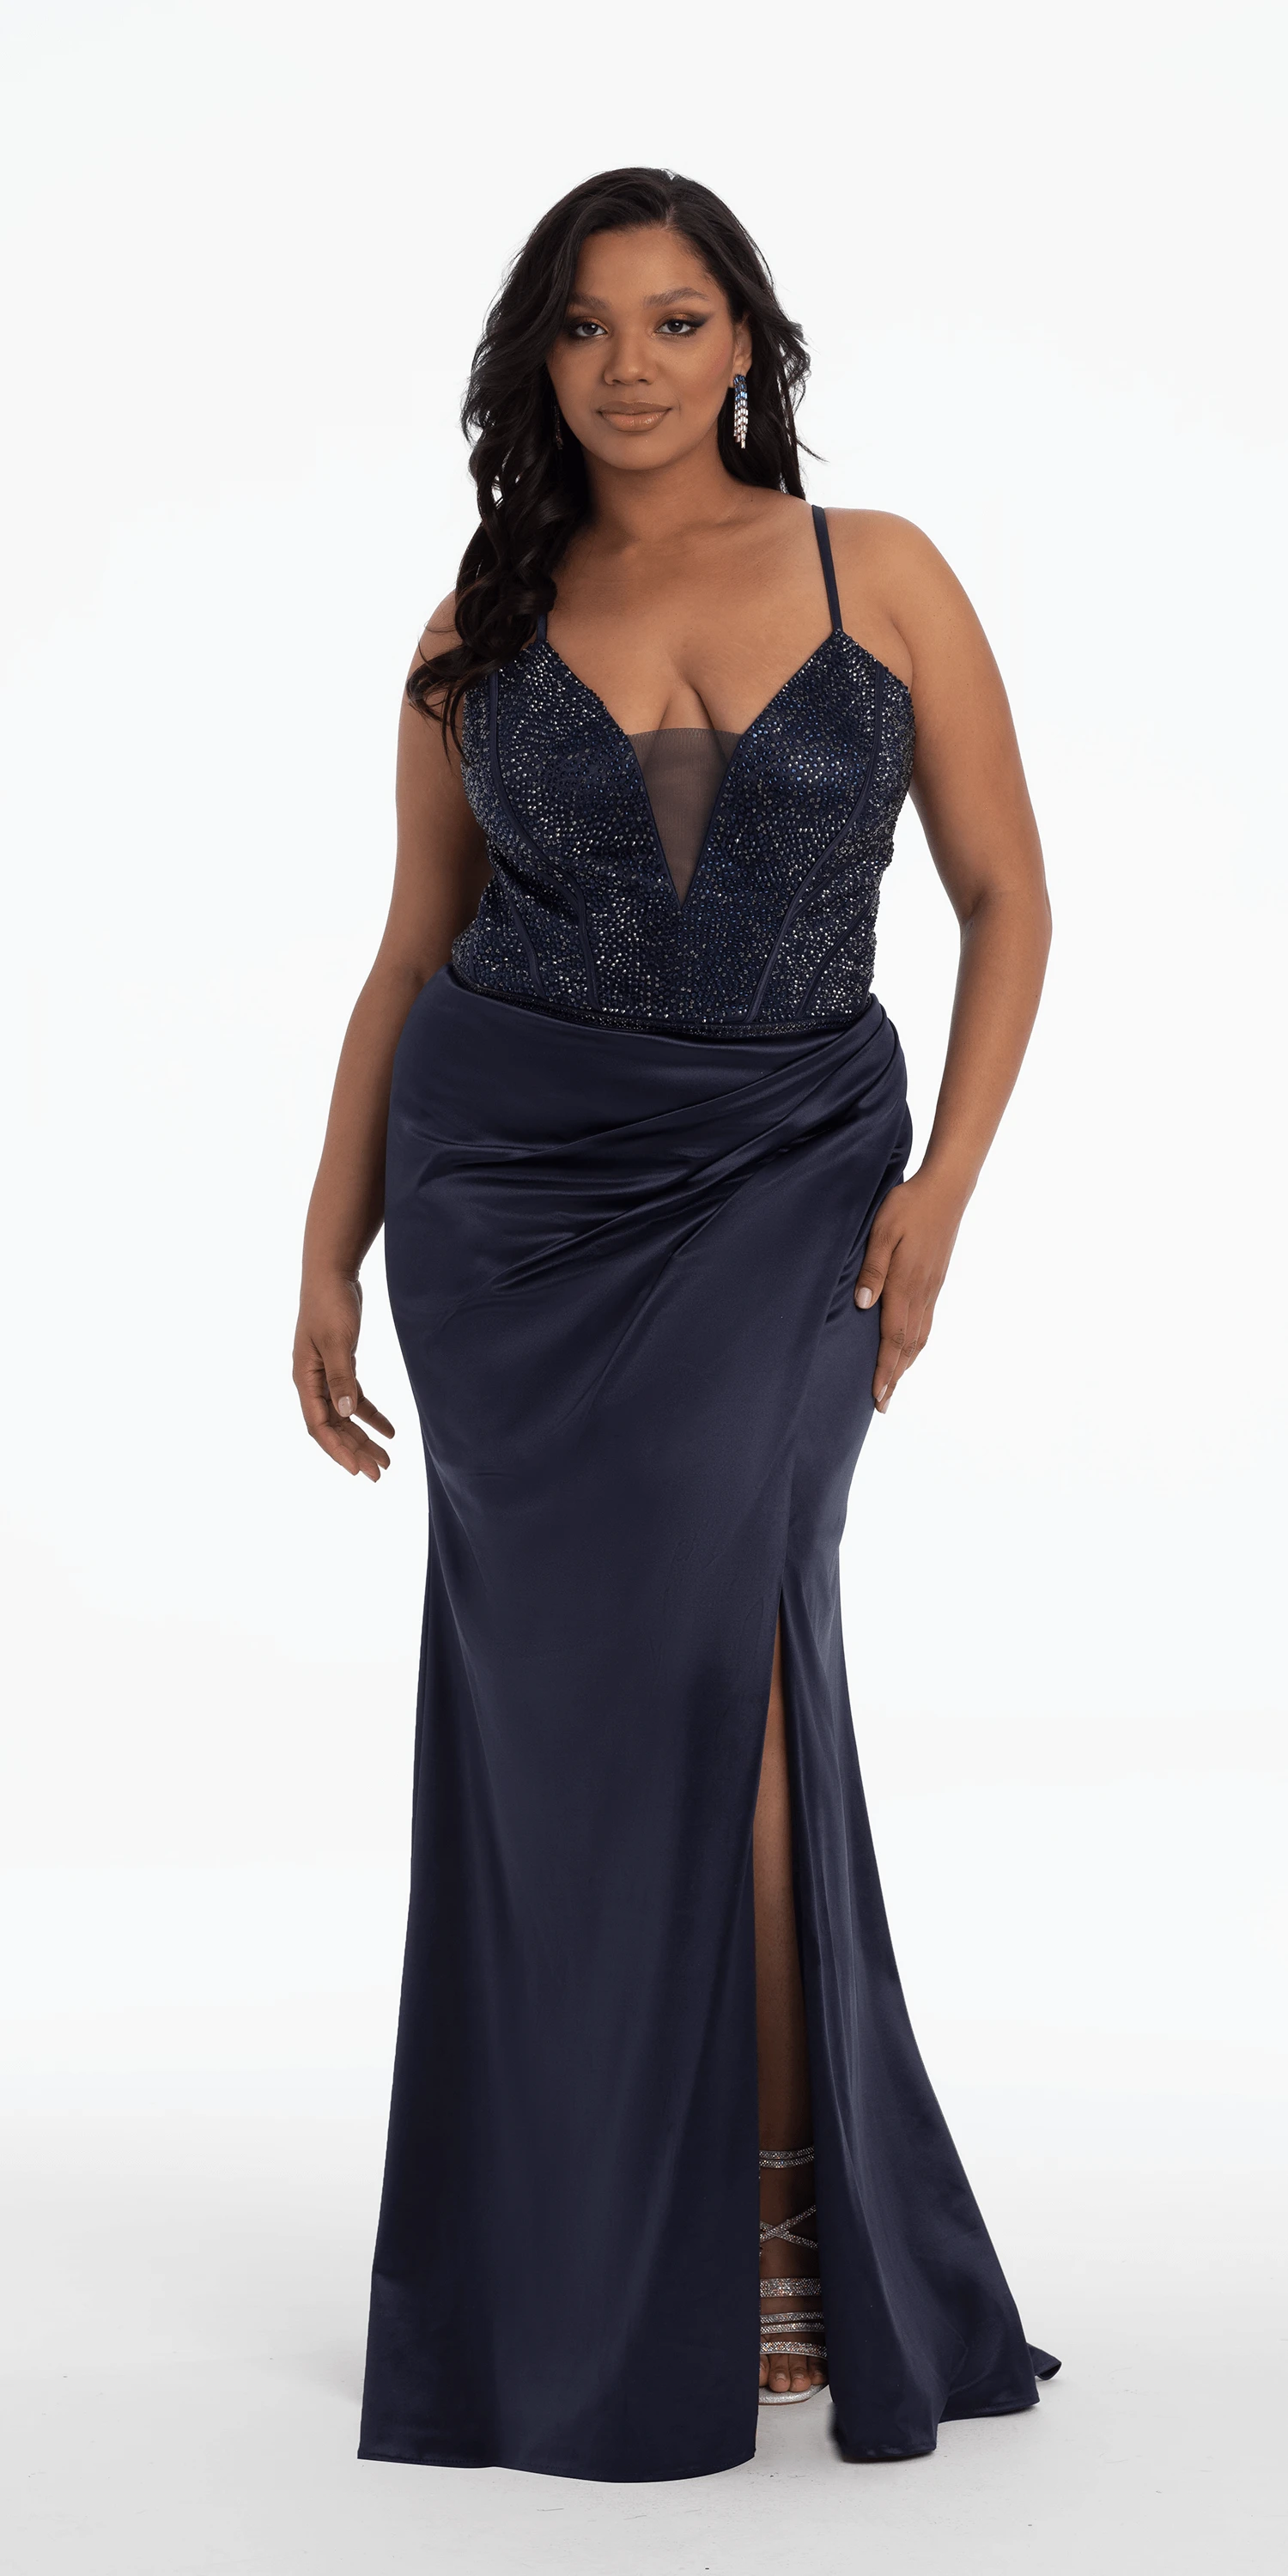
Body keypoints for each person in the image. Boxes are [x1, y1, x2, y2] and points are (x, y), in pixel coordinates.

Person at [293, 166, 1057, 2483]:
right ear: (535, 362)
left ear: (748, 345)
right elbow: (411, 949)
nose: (630, 364)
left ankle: (786, 2213)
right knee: (588, 1716)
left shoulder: (875, 571)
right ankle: (640, 2233)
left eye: (678, 317)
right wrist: (326, 1249)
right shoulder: (476, 618)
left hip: (796, 1179)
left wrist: (939, 1194)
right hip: (509, 1205)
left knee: (737, 1661)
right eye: (585, 324)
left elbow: (1008, 896)